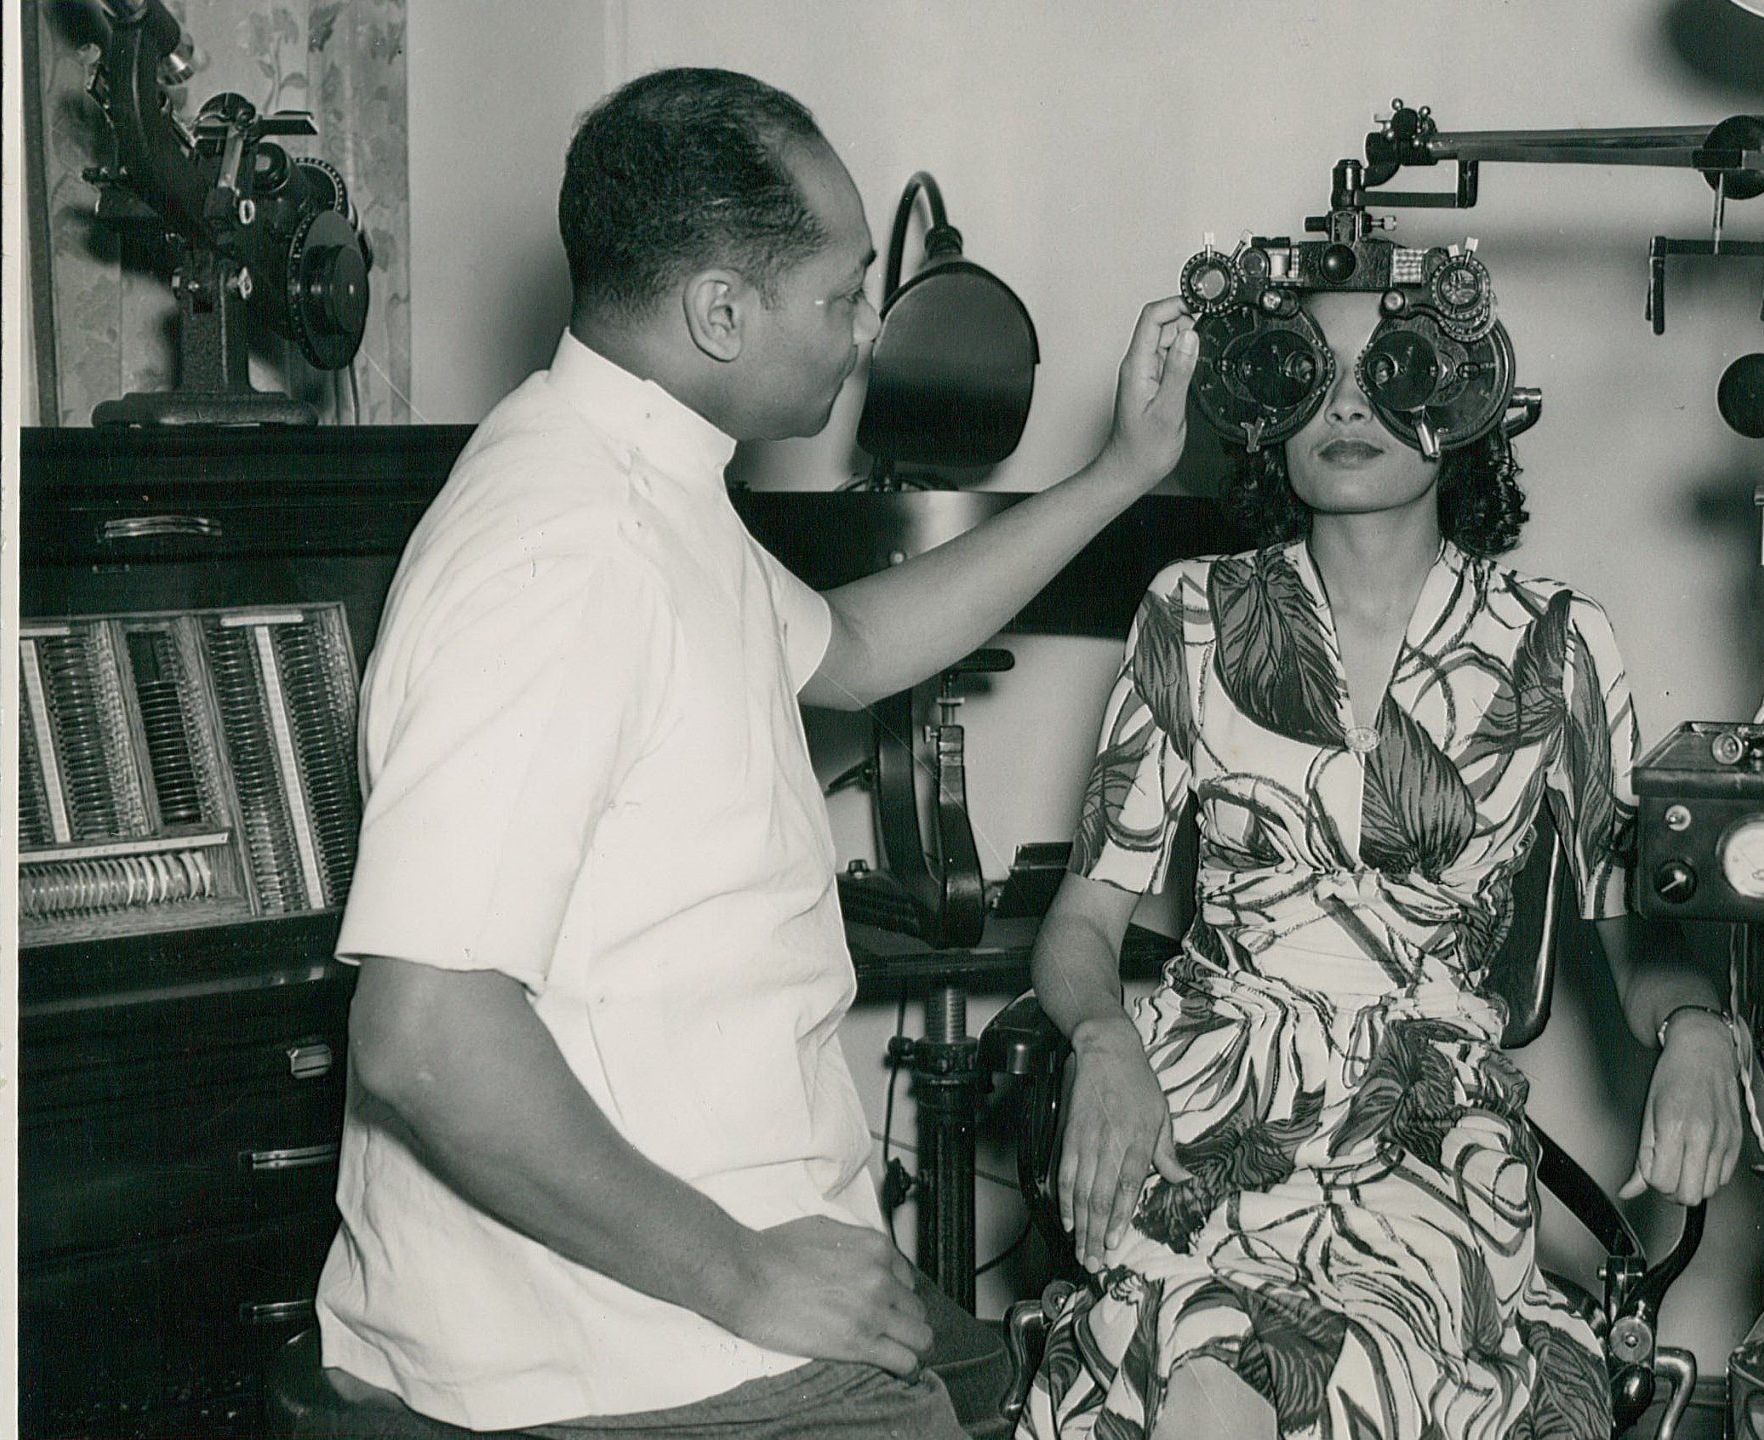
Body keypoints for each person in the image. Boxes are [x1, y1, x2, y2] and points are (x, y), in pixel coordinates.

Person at [315, 67, 1198, 1438]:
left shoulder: (645, 483)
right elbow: (424, 1032)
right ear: (722, 310)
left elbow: (850, 646)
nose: (862, 340)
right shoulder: (568, 549)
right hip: (627, 1361)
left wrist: (1116, 477)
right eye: (844, 297)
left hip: (691, 1315)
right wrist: (743, 1272)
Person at [1019, 287, 1750, 1440]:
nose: (1348, 400)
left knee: (1329, 1366)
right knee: (1201, 1365)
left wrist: (1700, 1028)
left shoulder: (1557, 642)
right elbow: (1082, 922)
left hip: (1426, 1119)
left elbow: (1635, 928)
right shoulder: (1190, 613)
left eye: (1392, 368)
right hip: (1207, 1096)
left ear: (1466, 400)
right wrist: (1106, 1040)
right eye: (1310, 369)